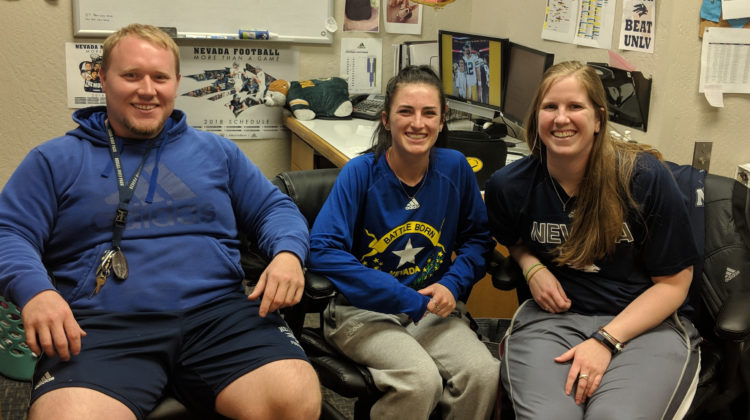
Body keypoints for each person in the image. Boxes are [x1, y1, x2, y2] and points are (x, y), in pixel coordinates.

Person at [0, 24, 321, 420]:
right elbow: (9, 232)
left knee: (295, 398)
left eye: (160, 77)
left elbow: (275, 209)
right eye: (131, 75)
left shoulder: (217, 152)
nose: (147, 90)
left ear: (177, 83)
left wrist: (289, 254)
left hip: (218, 315)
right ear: (102, 78)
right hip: (102, 326)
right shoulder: (54, 160)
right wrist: (35, 292)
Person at [484, 61, 701, 419]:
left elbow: (676, 284)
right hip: (551, 324)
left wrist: (606, 340)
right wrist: (532, 266)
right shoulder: (509, 186)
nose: (561, 118)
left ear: (599, 119)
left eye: (575, 107)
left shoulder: (645, 179)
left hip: (644, 326)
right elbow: (515, 241)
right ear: (535, 116)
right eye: (550, 106)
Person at [309, 65, 500, 420]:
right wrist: (402, 298)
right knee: (420, 381)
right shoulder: (361, 173)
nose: (418, 123)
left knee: (484, 373)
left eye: (430, 113)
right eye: (406, 111)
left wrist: (451, 283)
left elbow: (478, 240)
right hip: (362, 312)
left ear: (443, 121)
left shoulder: (456, 169)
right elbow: (322, 250)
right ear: (386, 119)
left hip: (431, 311)